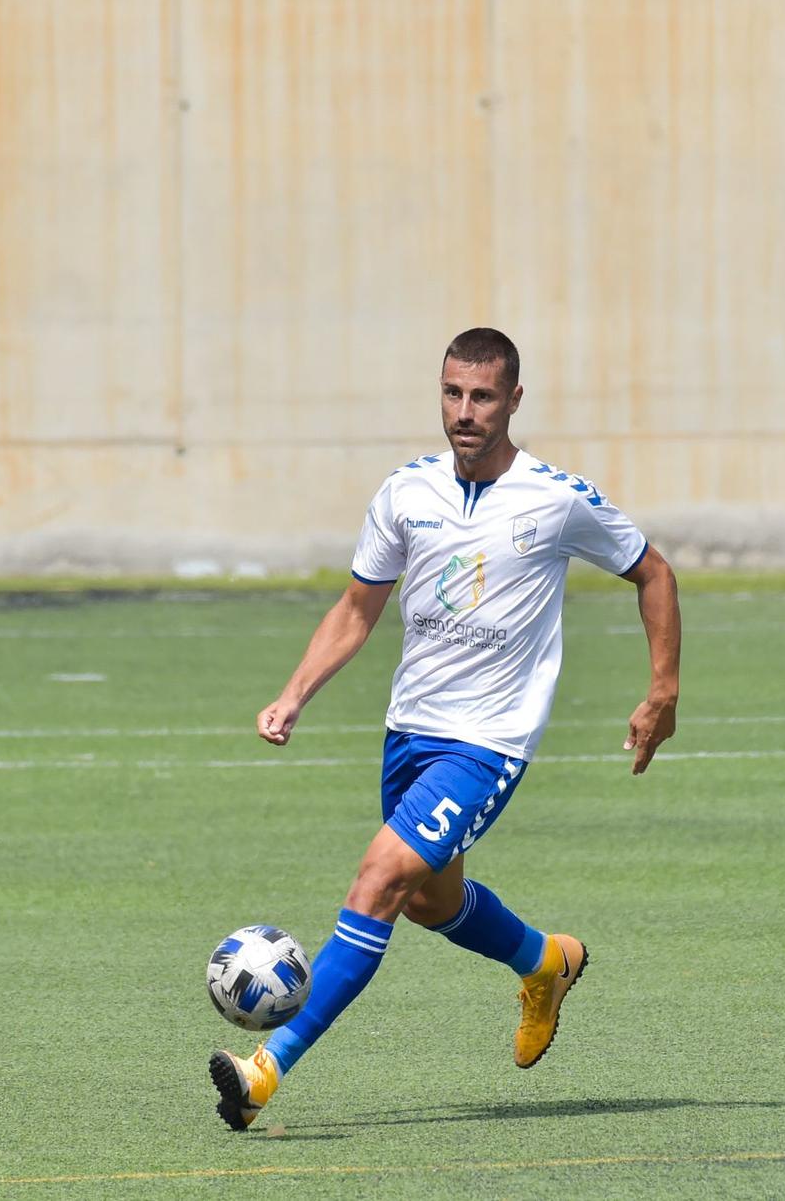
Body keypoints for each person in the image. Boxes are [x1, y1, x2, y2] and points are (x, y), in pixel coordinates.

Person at [210, 326, 682, 1130]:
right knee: (432, 900)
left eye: (484, 396)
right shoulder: (406, 492)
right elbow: (358, 609)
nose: (465, 412)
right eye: (453, 393)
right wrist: (295, 694)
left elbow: (654, 572)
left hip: (488, 741)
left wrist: (662, 690)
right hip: (409, 732)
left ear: (514, 400)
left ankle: (267, 1069)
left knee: (380, 880)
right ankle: (546, 961)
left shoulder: (556, 497)